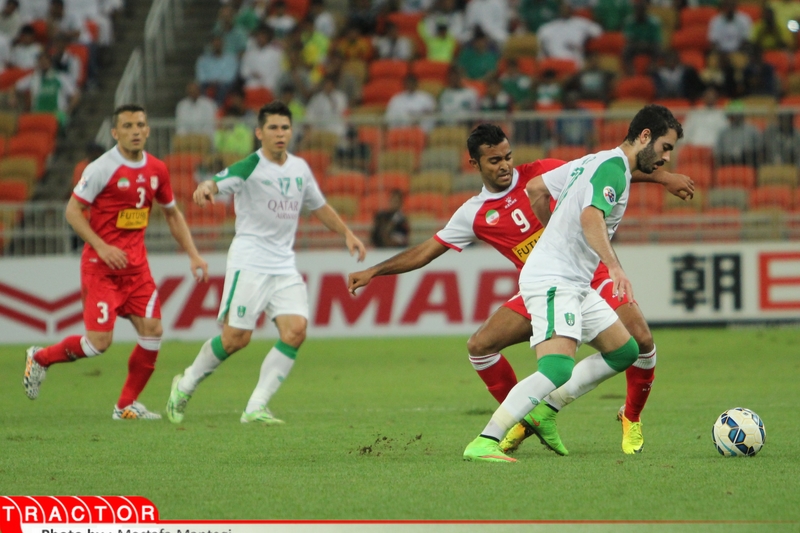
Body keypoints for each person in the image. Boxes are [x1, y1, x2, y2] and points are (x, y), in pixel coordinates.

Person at [348, 122, 693, 456]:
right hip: (549, 279)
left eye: (508, 156)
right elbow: (425, 251)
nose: (505, 165)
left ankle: (629, 416)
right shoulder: (473, 213)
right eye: (495, 160)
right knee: (482, 347)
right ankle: (518, 421)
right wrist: (375, 271)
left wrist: (664, 178)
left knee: (635, 345)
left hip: (588, 273)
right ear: (475, 164)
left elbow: (608, 175)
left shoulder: (539, 171)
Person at [462, 105, 683, 462]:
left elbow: (535, 189)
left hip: (573, 279)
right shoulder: (612, 169)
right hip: (555, 277)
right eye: (665, 147)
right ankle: (485, 440)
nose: (666, 158)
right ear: (645, 137)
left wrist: (555, 236)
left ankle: (544, 411)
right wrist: (613, 266)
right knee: (557, 368)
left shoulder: (594, 161)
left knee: (625, 351)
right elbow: (590, 216)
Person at [166, 101, 367, 425]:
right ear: (259, 133)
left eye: (285, 127)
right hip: (251, 261)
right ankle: (185, 384)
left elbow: (319, 206)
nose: (279, 133)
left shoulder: (300, 169)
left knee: (295, 331)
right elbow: (218, 181)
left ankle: (255, 407)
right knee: (236, 339)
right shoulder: (250, 165)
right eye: (272, 128)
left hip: (283, 264)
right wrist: (206, 187)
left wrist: (346, 233)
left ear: (291, 131)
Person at [23, 104, 209, 419]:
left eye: (140, 124)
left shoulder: (157, 170)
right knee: (99, 343)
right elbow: (72, 211)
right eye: (127, 126)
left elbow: (173, 214)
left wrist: (193, 254)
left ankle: (124, 406)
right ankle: (40, 358)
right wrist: (101, 245)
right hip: (101, 269)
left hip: (136, 269)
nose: (135, 131)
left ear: (148, 130)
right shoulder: (100, 168)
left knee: (153, 330)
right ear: (115, 132)